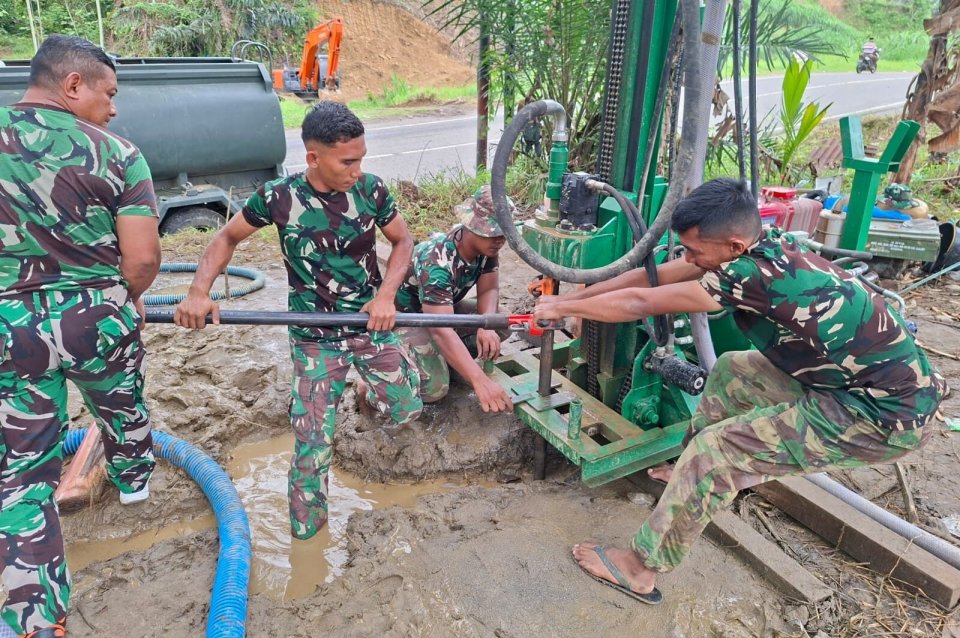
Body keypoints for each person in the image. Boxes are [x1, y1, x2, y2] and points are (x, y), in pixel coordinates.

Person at [533, 177, 946, 605]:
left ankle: (640, 570)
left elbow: (640, 304)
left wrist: (564, 308)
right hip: (851, 384)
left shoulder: (750, 274)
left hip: (881, 417)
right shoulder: (762, 245)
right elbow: (651, 278)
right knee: (732, 371)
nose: (687, 257)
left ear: (732, 246)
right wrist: (578, 295)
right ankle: (687, 476)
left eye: (694, 250)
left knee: (718, 452)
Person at [175, 101, 422, 541]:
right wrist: (198, 292)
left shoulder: (371, 191)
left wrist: (386, 296)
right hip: (314, 336)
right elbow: (227, 237)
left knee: (406, 405)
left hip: (369, 323)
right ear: (313, 157)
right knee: (312, 443)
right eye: (348, 161)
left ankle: (364, 388)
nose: (356, 169)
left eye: (361, 158)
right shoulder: (278, 197)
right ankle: (308, 538)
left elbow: (403, 241)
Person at [0, 35, 161, 638]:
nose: (114, 108)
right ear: (73, 86)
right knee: (121, 403)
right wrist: (129, 301)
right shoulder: (118, 153)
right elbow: (142, 259)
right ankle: (136, 484)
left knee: (19, 473)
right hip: (97, 318)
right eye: (108, 93)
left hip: (9, 328)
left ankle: (36, 622)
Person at [394, 186, 513, 413]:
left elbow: (489, 289)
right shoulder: (436, 262)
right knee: (435, 389)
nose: (499, 239)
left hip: (440, 312)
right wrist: (481, 382)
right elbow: (442, 330)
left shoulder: (486, 248)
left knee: (500, 323)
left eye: (503, 233)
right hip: (406, 319)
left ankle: (448, 362)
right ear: (470, 225)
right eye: (492, 232)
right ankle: (377, 383)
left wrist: (484, 324)